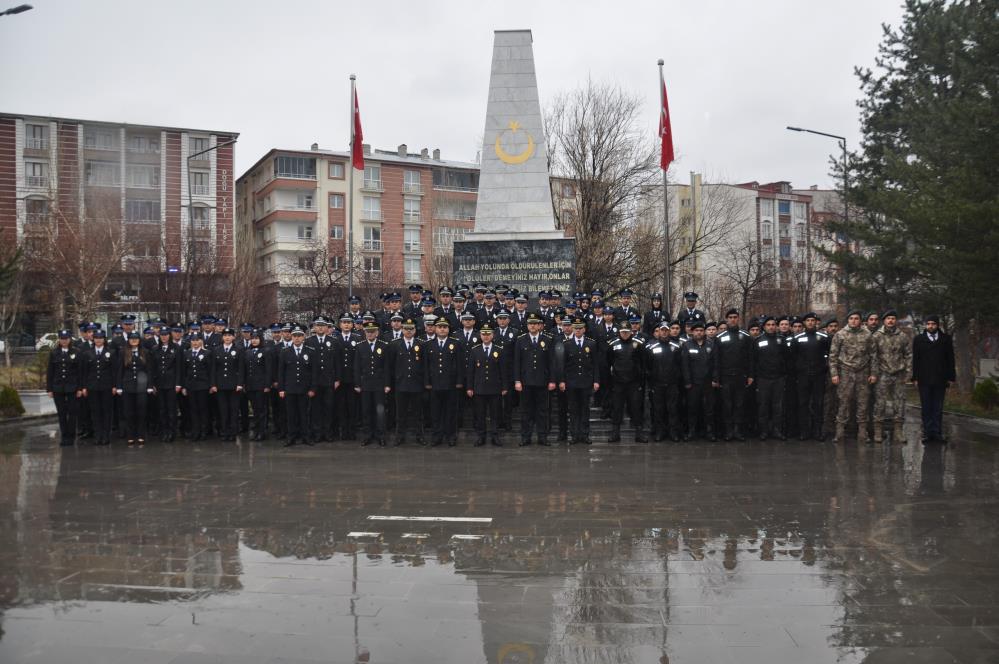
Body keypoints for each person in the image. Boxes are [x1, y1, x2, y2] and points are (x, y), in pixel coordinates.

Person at [828, 311, 877, 444]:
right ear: (847, 320)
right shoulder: (840, 334)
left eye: (856, 318)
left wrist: (873, 373)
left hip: (863, 372)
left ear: (861, 320)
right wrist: (834, 374)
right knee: (844, 402)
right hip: (845, 372)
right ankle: (840, 432)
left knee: (863, 402)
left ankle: (862, 431)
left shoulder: (867, 335)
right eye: (851, 318)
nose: (854, 321)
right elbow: (833, 356)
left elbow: (873, 356)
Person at [512, 312, 556, 446]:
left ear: (539, 325)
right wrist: (517, 380)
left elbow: (551, 362)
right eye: (530, 324)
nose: (532, 326)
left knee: (542, 411)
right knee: (526, 411)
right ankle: (526, 437)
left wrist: (552, 380)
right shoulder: (521, 339)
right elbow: (517, 362)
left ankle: (543, 437)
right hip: (526, 382)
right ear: (527, 325)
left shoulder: (548, 339)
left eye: (535, 324)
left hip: (542, 381)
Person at [912, 314, 955, 444]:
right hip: (924, 378)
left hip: (940, 378)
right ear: (926, 325)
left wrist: (951, 377)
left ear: (938, 325)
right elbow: (916, 360)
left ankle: (937, 433)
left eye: (933, 324)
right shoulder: (919, 339)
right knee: (926, 407)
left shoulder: (945, 339)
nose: (931, 326)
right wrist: (915, 377)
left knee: (938, 407)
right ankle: (927, 432)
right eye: (928, 324)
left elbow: (950, 359)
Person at [557, 317, 600, 445]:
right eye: (576, 328)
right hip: (572, 382)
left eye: (580, 328)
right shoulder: (567, 344)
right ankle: (574, 435)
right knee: (574, 410)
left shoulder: (591, 344)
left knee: (585, 409)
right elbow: (563, 365)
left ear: (584, 329)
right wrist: (562, 381)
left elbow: (595, 364)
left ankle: (585, 435)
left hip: (586, 382)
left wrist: (596, 380)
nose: (578, 330)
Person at [872, 309, 912, 444]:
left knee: (899, 403)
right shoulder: (877, 336)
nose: (890, 321)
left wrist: (908, 372)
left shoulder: (903, 336)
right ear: (884, 320)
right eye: (888, 318)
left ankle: (898, 431)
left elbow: (908, 355)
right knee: (880, 404)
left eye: (893, 318)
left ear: (896, 321)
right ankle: (878, 431)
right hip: (882, 374)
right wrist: (874, 373)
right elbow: (873, 356)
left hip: (898, 374)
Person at [713, 309, 753, 441]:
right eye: (730, 317)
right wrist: (716, 378)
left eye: (735, 317)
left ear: (739, 319)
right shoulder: (719, 337)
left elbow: (750, 358)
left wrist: (750, 375)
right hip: (725, 377)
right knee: (727, 405)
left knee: (740, 405)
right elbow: (716, 359)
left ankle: (738, 430)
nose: (733, 319)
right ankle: (728, 431)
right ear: (726, 319)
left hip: (740, 377)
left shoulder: (746, 336)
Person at [387, 318, 427, 446]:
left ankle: (419, 436)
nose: (408, 331)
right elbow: (390, 366)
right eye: (406, 328)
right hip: (401, 384)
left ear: (415, 330)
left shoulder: (421, 344)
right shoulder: (394, 344)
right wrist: (391, 383)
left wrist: (425, 382)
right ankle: (399, 437)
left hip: (417, 384)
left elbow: (425, 365)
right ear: (402, 329)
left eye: (411, 329)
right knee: (400, 414)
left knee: (418, 414)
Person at [791, 313, 831, 441]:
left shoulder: (824, 337)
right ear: (804, 323)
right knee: (803, 404)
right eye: (807, 320)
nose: (810, 322)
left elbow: (830, 354)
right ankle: (804, 431)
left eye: (812, 320)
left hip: (818, 376)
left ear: (816, 322)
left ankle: (817, 431)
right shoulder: (797, 338)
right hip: (803, 376)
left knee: (818, 404)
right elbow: (793, 356)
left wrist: (824, 367)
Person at [466, 325, 508, 447]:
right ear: (480, 335)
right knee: (480, 414)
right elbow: (470, 371)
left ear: (492, 335)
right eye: (483, 334)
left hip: (495, 388)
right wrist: (469, 387)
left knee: (495, 414)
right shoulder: (475, 350)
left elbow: (503, 370)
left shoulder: (499, 349)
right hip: (479, 388)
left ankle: (495, 436)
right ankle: (481, 436)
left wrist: (505, 387)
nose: (486, 336)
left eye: (488, 334)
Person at [425, 317, 464, 447]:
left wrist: (459, 381)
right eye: (440, 327)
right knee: (435, 413)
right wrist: (427, 382)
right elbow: (426, 366)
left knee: (450, 412)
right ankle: (437, 436)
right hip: (435, 384)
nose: (442, 329)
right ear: (435, 329)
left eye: (445, 327)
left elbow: (459, 364)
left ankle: (451, 436)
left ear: (448, 329)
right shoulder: (429, 344)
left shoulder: (456, 343)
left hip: (451, 384)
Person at [750, 316, 790, 441]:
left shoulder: (781, 340)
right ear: (764, 327)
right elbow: (753, 361)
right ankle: (764, 431)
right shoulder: (757, 341)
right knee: (763, 406)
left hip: (778, 378)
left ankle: (777, 430)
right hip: (763, 379)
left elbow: (786, 359)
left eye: (773, 324)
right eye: (768, 325)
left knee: (777, 406)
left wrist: (784, 375)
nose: (771, 327)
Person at [606, 325, 647, 443]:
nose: (624, 334)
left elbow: (643, 362)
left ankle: (639, 433)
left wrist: (640, 379)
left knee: (636, 408)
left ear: (631, 332)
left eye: (627, 332)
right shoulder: (612, 344)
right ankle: (615, 433)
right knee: (617, 408)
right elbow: (608, 360)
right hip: (618, 383)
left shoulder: (638, 344)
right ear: (619, 332)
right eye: (622, 332)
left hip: (633, 383)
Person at [304, 316, 341, 443]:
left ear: (327, 327)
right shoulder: (309, 341)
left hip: (329, 381)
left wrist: (337, 379)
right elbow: (306, 364)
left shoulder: (334, 341)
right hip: (314, 382)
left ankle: (328, 433)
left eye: (322, 325)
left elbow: (337, 362)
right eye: (317, 325)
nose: (320, 327)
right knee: (316, 408)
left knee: (328, 408)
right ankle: (317, 433)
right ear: (314, 327)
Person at [645, 322, 683, 442]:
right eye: (662, 330)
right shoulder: (651, 347)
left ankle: (673, 432)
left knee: (673, 409)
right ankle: (660, 432)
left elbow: (680, 365)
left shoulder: (676, 347)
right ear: (659, 331)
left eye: (667, 330)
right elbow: (648, 366)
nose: (664, 332)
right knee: (658, 409)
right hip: (657, 384)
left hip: (672, 384)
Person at [277, 326, 315, 447]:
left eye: (299, 336)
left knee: (304, 415)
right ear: (291, 337)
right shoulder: (285, 352)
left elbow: (314, 372)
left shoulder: (310, 351)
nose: (297, 338)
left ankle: (306, 437)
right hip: (290, 389)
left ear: (303, 337)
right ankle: (291, 437)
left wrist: (312, 388)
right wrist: (281, 389)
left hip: (304, 389)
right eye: (295, 336)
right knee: (291, 415)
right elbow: (281, 372)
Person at [354, 322, 390, 447]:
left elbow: (387, 367)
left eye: (373, 331)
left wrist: (387, 384)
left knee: (380, 412)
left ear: (377, 332)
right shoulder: (360, 346)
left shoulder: (384, 346)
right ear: (365, 333)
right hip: (365, 384)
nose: (370, 333)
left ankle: (381, 436)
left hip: (379, 384)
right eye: (368, 331)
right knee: (366, 411)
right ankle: (367, 435)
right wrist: (357, 384)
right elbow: (357, 367)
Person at [115, 332, 152, 448]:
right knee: (128, 412)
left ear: (139, 340)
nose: (134, 340)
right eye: (132, 339)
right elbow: (119, 370)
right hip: (127, 386)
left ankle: (141, 435)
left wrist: (150, 386)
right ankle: (130, 435)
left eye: (136, 338)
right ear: (129, 340)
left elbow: (149, 370)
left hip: (142, 386)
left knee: (142, 412)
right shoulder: (123, 352)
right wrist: (119, 386)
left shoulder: (145, 352)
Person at [681, 321, 716, 441]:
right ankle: (692, 432)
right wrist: (687, 381)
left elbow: (716, 363)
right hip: (693, 384)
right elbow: (684, 365)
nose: (699, 332)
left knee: (709, 409)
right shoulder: (687, 345)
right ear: (692, 332)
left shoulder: (711, 344)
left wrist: (715, 379)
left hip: (708, 383)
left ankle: (709, 432)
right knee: (692, 408)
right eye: (696, 330)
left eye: (701, 330)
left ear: (704, 332)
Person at [47, 329, 82, 447]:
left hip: (72, 387)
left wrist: (79, 388)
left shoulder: (76, 352)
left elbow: (79, 372)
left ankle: (71, 436)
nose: (64, 341)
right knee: (61, 413)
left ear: (70, 339)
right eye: (62, 338)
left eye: (66, 338)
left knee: (72, 413)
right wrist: (49, 389)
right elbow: (50, 372)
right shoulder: (54, 352)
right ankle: (64, 436)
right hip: (58, 387)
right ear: (59, 339)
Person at [81, 329, 116, 445]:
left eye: (101, 338)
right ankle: (98, 435)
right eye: (96, 338)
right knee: (95, 412)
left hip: (107, 386)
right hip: (92, 387)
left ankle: (106, 435)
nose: (98, 340)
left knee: (107, 412)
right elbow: (84, 372)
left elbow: (114, 371)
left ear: (104, 339)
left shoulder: (110, 352)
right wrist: (84, 387)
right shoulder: (87, 353)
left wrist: (114, 386)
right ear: (93, 339)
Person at [211, 328, 245, 442]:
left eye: (229, 335)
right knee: (223, 410)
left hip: (234, 385)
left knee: (234, 410)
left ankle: (233, 432)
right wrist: (213, 384)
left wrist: (240, 383)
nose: (227, 337)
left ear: (233, 337)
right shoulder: (216, 350)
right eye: (225, 335)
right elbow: (214, 369)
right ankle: (224, 432)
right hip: (220, 386)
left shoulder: (239, 350)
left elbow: (241, 368)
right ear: (222, 337)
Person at [151, 328, 182, 443]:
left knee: (171, 409)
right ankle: (164, 431)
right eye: (162, 335)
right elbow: (152, 368)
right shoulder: (155, 349)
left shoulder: (176, 348)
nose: (164, 337)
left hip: (172, 383)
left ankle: (172, 432)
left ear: (170, 336)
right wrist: (152, 384)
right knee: (162, 409)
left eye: (166, 335)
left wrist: (178, 383)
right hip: (159, 383)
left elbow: (179, 367)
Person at [244, 331, 275, 441]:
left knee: (262, 410)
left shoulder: (265, 351)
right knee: (255, 409)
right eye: (253, 338)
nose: (254, 340)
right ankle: (256, 431)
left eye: (257, 338)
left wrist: (267, 385)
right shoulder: (247, 352)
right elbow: (245, 370)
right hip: (250, 385)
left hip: (261, 385)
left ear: (260, 339)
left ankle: (262, 432)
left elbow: (268, 370)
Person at [182, 333, 213, 441]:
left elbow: (210, 371)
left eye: (197, 340)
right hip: (191, 386)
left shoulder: (207, 353)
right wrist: (184, 387)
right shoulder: (186, 353)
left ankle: (204, 431)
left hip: (203, 385)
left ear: (201, 341)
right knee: (193, 410)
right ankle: (195, 431)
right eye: (193, 340)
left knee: (203, 409)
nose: (195, 342)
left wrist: (211, 385)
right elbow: (185, 372)